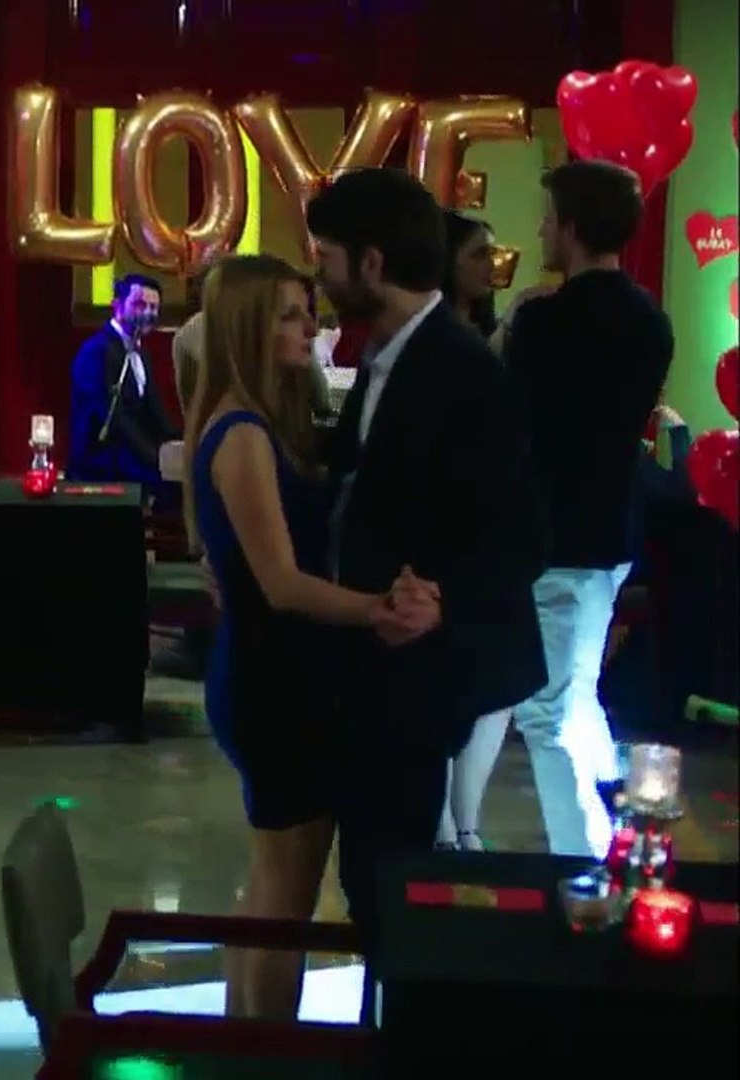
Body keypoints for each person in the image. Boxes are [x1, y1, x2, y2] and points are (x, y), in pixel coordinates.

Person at [307, 168, 546, 951]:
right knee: (371, 871)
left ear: (372, 263)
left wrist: (443, 600)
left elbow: (523, 532)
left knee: (392, 879)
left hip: (416, 670)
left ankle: (398, 1010)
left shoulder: (463, 369)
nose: (319, 276)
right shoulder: (387, 356)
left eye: (326, 258)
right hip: (372, 662)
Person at [185, 255, 429, 1018]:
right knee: (285, 895)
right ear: (251, 328)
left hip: (278, 669)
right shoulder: (243, 433)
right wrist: (377, 610)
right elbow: (282, 583)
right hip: (273, 678)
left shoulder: (264, 421)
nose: (309, 327)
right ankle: (266, 1047)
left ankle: (246, 1042)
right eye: (290, 315)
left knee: (273, 882)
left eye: (307, 311)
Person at [506, 161, 672, 859]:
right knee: (575, 696)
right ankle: (619, 839)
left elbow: (515, 427)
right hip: (612, 530)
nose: (542, 230)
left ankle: (585, 864)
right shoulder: (650, 322)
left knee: (546, 711)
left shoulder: (543, 321)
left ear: (571, 228)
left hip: (555, 535)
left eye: (549, 218)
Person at [434, 210, 512, 851]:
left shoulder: (496, 333)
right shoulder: (426, 340)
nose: (492, 265)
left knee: (495, 686)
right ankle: (444, 823)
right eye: (478, 254)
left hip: (488, 530)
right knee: (441, 681)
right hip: (442, 530)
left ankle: (468, 822)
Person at [68, 274, 176, 489]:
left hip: (133, 461)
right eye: (140, 305)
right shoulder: (97, 351)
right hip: (102, 467)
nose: (148, 313)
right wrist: (156, 459)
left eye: (154, 307)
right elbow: (113, 417)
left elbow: (155, 414)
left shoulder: (142, 354)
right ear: (116, 305)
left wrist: (182, 444)